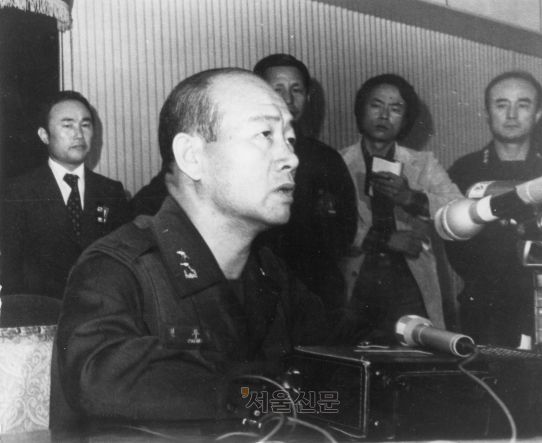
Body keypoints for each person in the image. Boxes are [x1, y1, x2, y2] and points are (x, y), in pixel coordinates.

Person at [56, 68, 343, 426]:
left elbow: (335, 369)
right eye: (265, 135)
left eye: (290, 139)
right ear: (191, 156)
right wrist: (261, 395)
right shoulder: (116, 268)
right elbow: (99, 381)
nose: (291, 158)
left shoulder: (272, 273)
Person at [446, 71, 542, 347]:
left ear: (538, 114)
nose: (512, 115)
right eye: (501, 105)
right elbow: (456, 246)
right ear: (487, 112)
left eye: (523, 105)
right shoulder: (465, 171)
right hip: (486, 307)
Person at [340, 74, 463, 341]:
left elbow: (458, 209)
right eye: (376, 105)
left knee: (417, 354)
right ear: (361, 109)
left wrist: (410, 197)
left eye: (395, 109)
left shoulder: (424, 163)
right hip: (355, 285)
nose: (384, 115)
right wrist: (383, 239)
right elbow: (327, 226)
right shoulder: (339, 162)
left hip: (410, 285)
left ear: (406, 118)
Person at [0, 91, 130, 299]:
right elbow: (10, 273)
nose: (78, 134)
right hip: (41, 311)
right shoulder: (18, 193)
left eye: (85, 125)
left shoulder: (111, 191)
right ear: (44, 135)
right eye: (68, 125)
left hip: (101, 311)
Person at [253, 54, 357, 310]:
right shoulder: (243, 151)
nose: (288, 100)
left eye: (296, 90)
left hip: (316, 289)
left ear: (308, 97)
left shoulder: (326, 158)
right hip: (257, 286)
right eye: (277, 90)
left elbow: (345, 230)